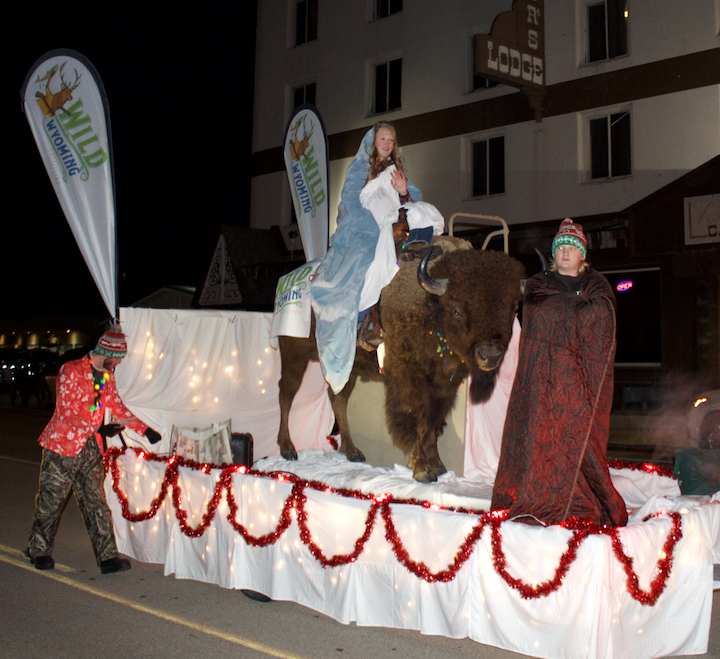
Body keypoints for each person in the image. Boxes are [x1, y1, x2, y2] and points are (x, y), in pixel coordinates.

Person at [490, 219, 628, 527]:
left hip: (578, 383)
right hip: (540, 383)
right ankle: (536, 495)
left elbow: (602, 315)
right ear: (554, 253)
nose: (566, 252)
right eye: (561, 247)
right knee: (540, 440)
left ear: (583, 255)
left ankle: (581, 497)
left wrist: (568, 306)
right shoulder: (537, 285)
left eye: (572, 248)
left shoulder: (597, 286)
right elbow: (539, 317)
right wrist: (577, 305)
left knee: (578, 441)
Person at [311, 122, 442, 394]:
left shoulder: (396, 171)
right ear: (373, 143)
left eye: (391, 140)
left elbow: (413, 199)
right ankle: (361, 320)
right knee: (361, 260)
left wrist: (403, 190)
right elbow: (350, 204)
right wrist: (367, 226)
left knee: (424, 213)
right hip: (365, 226)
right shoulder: (359, 170)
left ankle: (414, 244)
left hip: (395, 222)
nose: (387, 144)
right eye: (383, 139)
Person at [25, 324, 162, 573]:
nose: (118, 363)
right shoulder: (71, 370)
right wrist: (98, 428)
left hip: (90, 447)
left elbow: (117, 407)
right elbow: (66, 411)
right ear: (107, 352)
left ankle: (107, 558)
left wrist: (145, 430)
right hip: (62, 447)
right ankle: (38, 550)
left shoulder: (107, 376)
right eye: (117, 358)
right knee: (51, 502)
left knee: (96, 503)